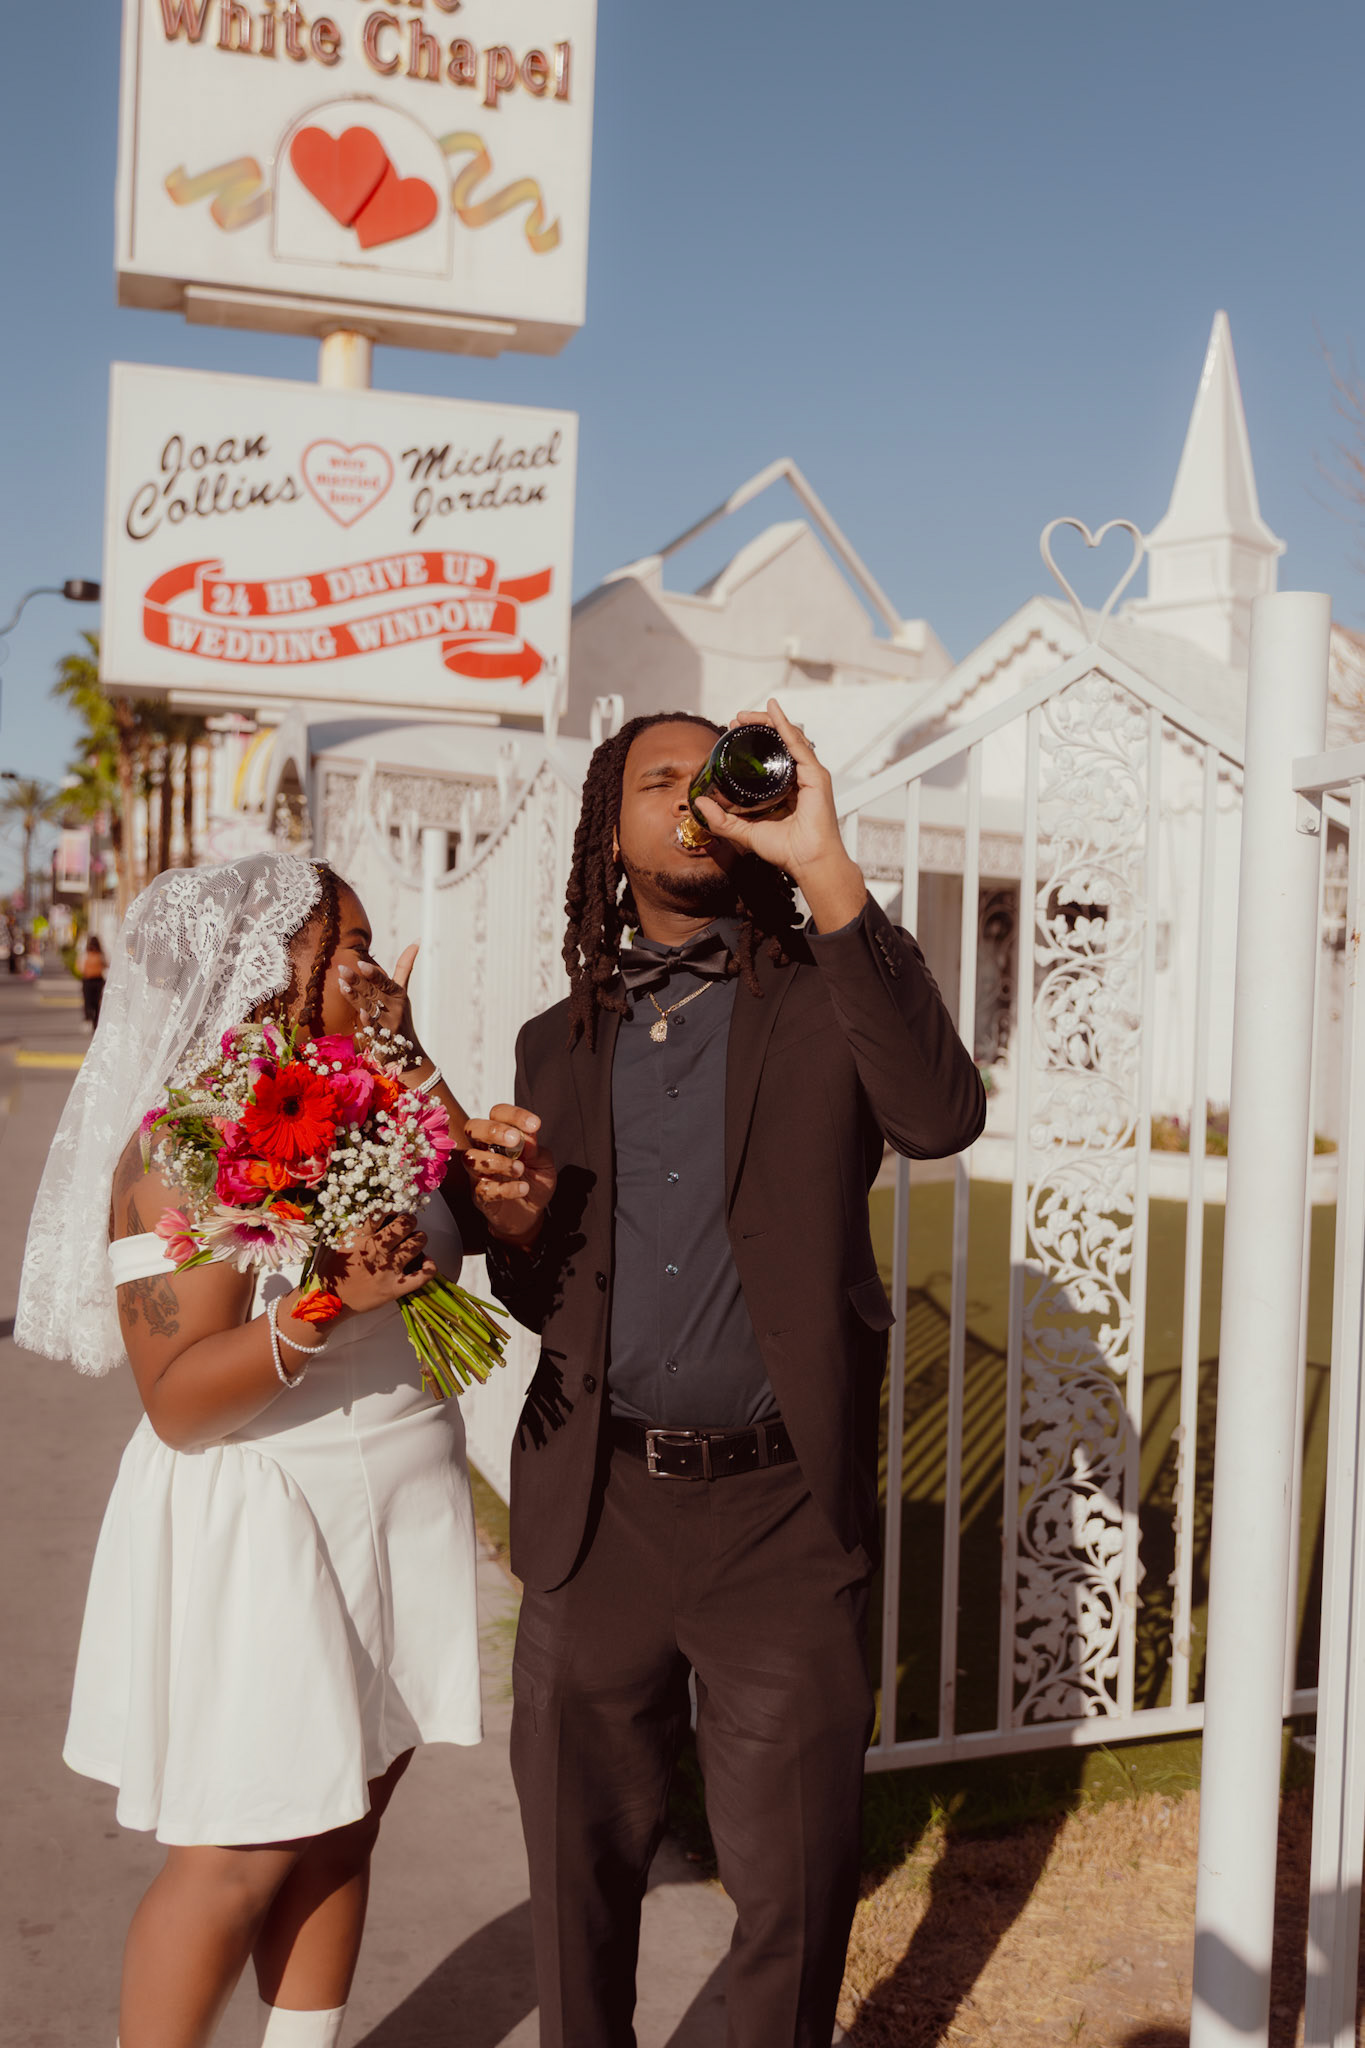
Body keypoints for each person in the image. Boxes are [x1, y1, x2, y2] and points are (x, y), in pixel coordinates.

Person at [461, 701, 986, 2048]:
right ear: (610, 830)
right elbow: (547, 1300)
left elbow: (940, 1116)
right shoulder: (552, 1042)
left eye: (714, 778)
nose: (692, 798)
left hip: (781, 1522)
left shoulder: (827, 990)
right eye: (659, 780)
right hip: (598, 1514)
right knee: (578, 1889)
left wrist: (822, 859)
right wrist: (515, 1234)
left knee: (795, 1894)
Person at [16, 854, 483, 2048]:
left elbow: (468, 1199)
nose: (373, 965)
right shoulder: (182, 1145)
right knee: (238, 1852)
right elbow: (178, 1398)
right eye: (351, 944)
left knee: (345, 1819)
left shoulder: (372, 1097)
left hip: (396, 1494)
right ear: (263, 967)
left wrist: (407, 1051)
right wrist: (326, 1299)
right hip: (274, 1518)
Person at [80, 932, 107, 1027]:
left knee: (88, 1001)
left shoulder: (86, 954)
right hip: (98, 981)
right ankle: (94, 1021)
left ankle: (89, 1018)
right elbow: (106, 965)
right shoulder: (101, 954)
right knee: (96, 1003)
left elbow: (80, 967)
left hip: (88, 980)